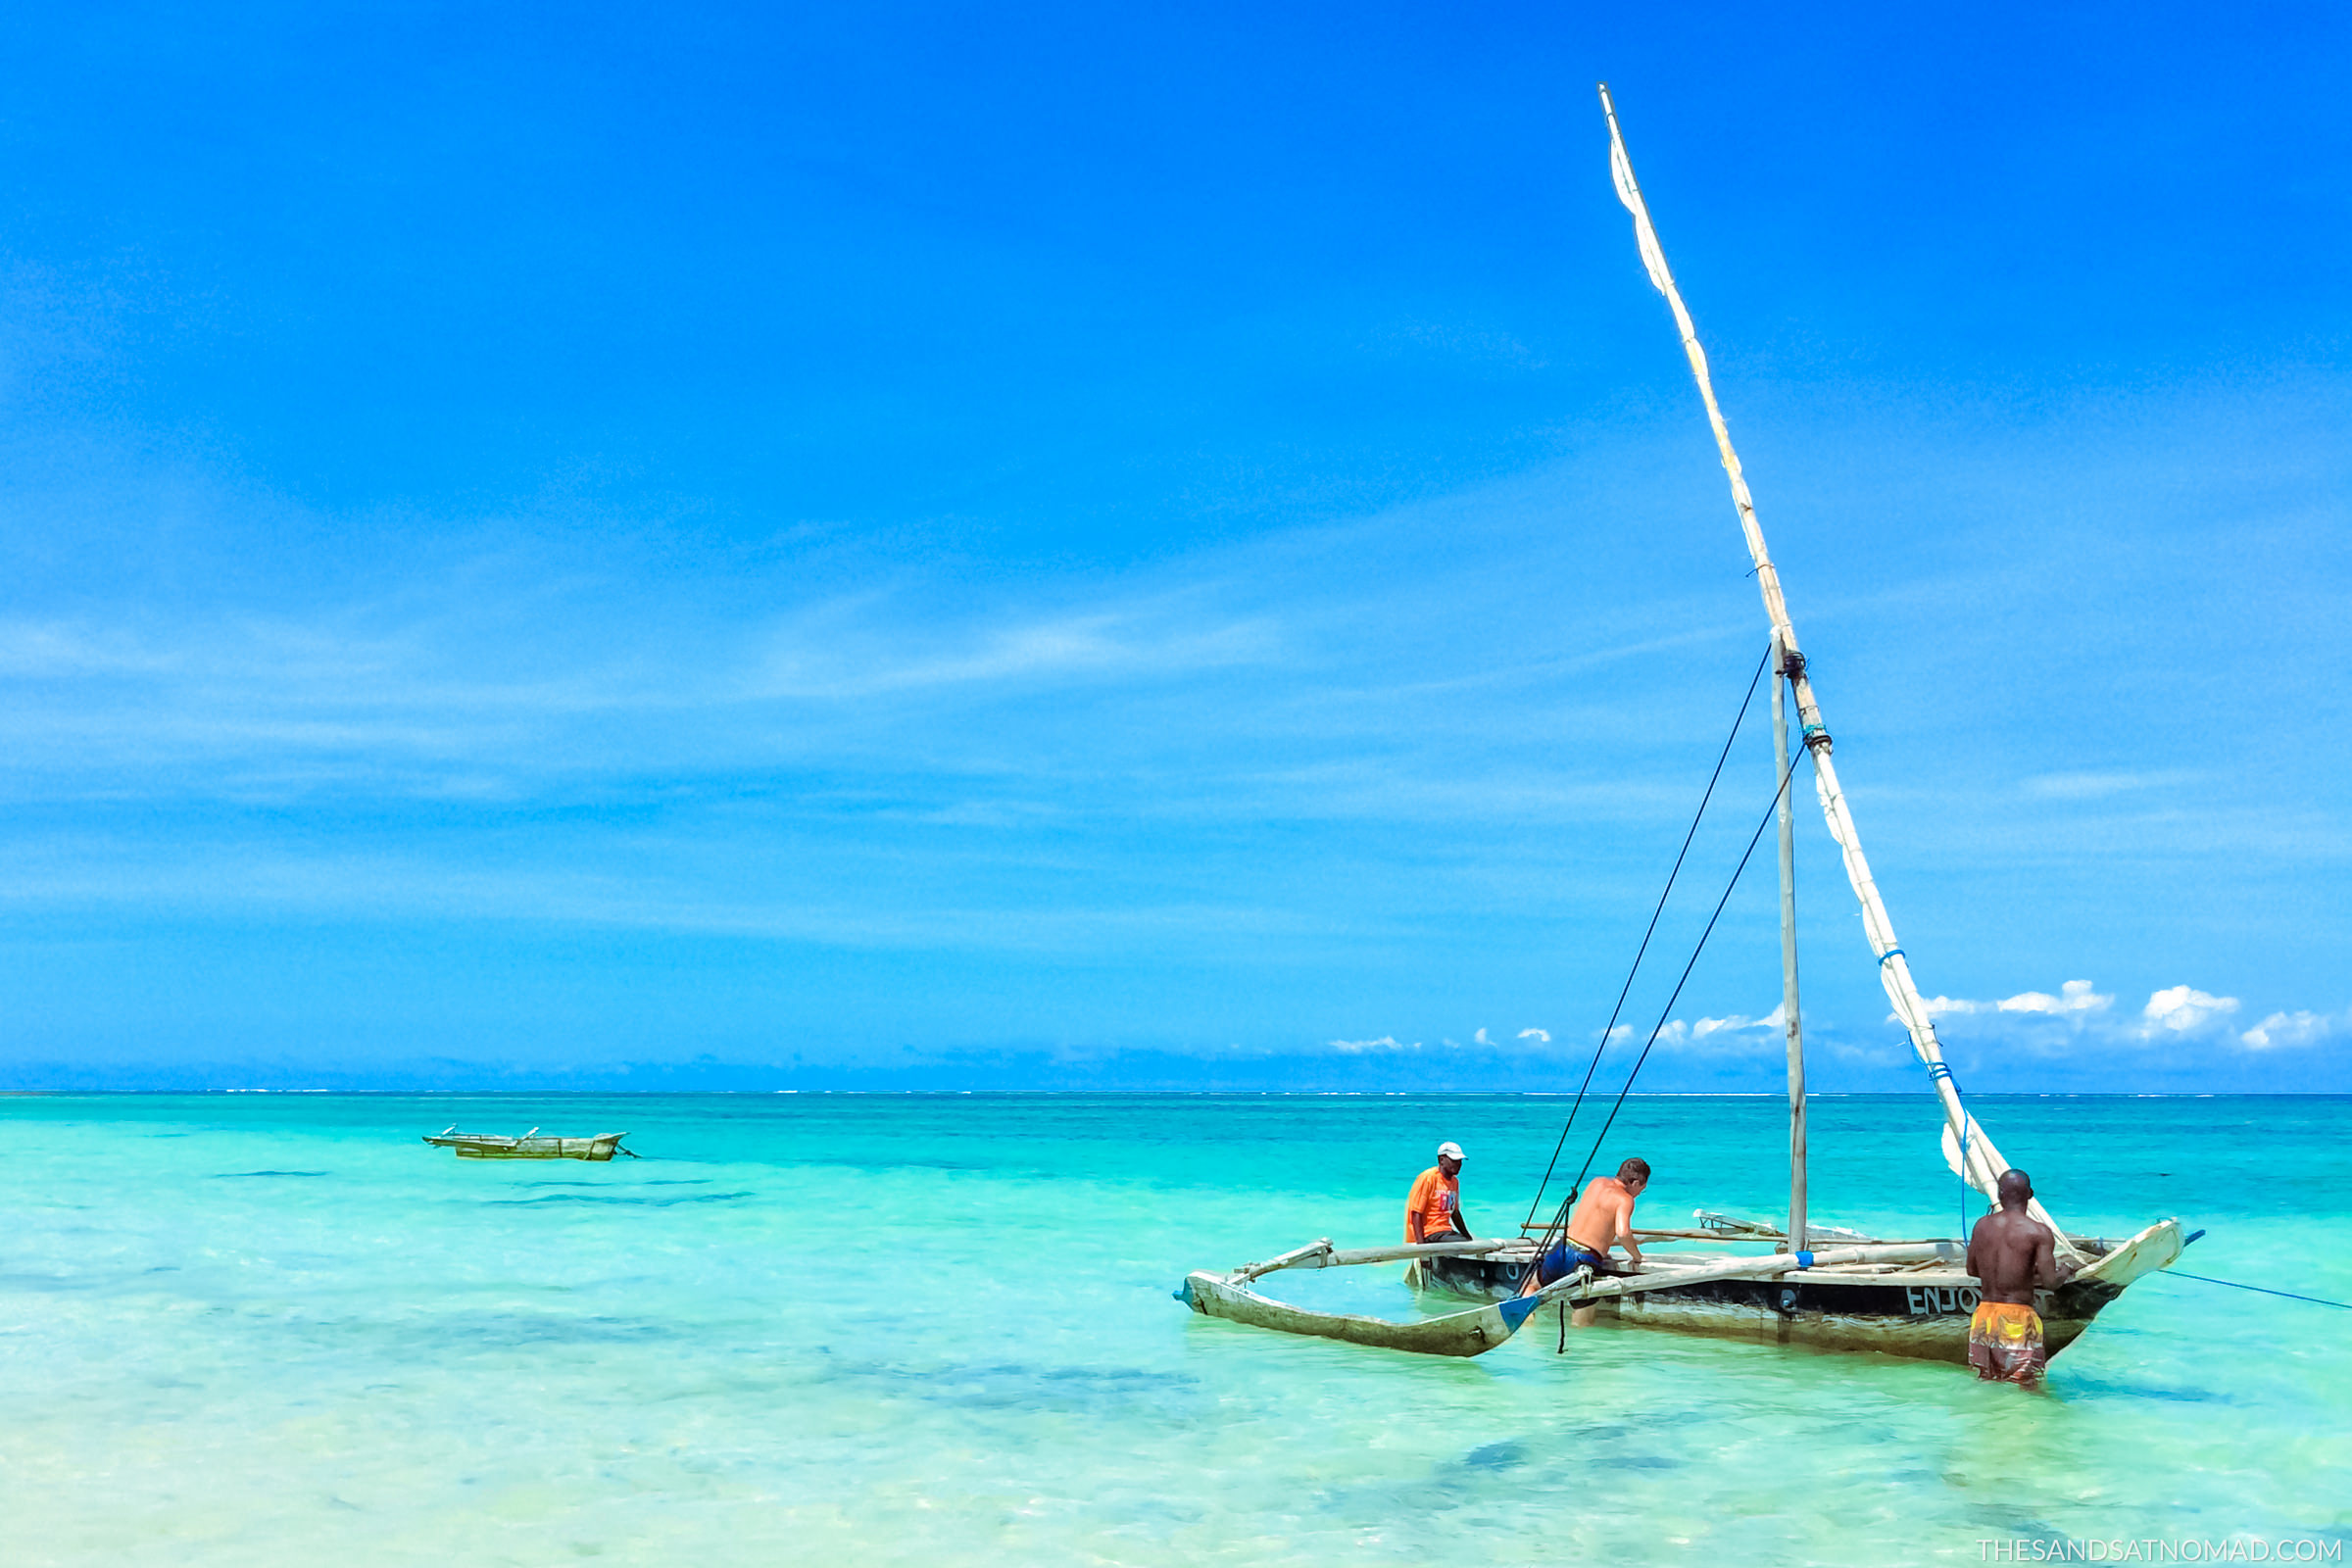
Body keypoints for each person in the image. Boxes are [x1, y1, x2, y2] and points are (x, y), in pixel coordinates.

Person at [1965, 1167, 2071, 1385]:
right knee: (2024, 1386)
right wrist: (2066, 1270)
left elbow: (1972, 1270)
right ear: (2030, 1194)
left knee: (1987, 1381)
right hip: (2017, 1319)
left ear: (1999, 1194)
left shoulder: (1982, 1226)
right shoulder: (2037, 1232)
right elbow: (2050, 1282)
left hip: (1983, 1317)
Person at [1535, 1157, 1650, 1326]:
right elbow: (1623, 1233)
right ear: (1636, 1183)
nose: (1638, 1194)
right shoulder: (1625, 1199)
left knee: (1533, 1287)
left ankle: (1526, 1333)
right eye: (1642, 1189)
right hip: (1583, 1259)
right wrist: (1637, 1257)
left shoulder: (1596, 1182)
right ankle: (1579, 1340)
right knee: (1583, 1316)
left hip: (1561, 1248)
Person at [1404, 1142, 1472, 1245]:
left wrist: (1468, 1237)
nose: (1458, 1164)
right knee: (1462, 1243)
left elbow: (1455, 1213)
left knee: (1468, 1242)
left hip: (1445, 1232)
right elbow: (1416, 1212)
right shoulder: (1428, 1178)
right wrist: (1421, 1247)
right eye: (1454, 1160)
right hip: (1429, 1233)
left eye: (1460, 1161)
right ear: (1441, 1160)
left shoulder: (1455, 1182)